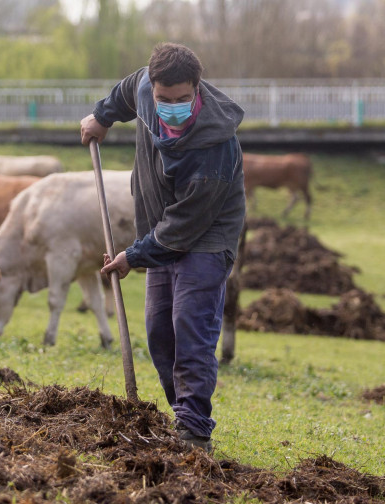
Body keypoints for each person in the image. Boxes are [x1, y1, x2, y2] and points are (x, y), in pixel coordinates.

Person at [80, 42, 245, 452]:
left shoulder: (215, 146)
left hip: (205, 237)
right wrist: (102, 117)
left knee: (191, 327)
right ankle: (182, 414)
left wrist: (133, 255)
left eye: (182, 99)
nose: (171, 106)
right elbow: (125, 90)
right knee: (159, 332)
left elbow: (185, 226)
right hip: (159, 229)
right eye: (163, 99)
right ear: (153, 89)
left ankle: (193, 429)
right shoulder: (143, 90)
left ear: (197, 89)